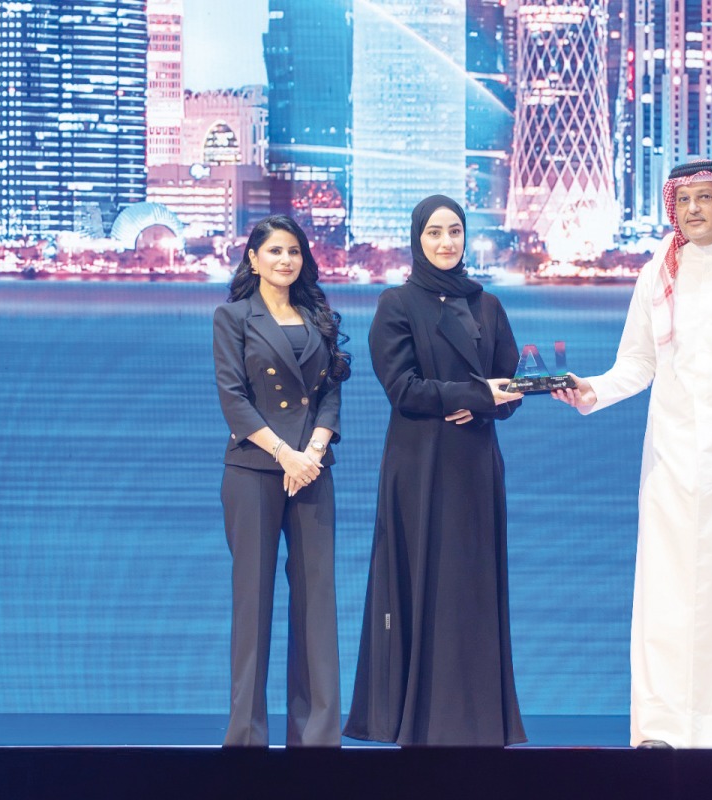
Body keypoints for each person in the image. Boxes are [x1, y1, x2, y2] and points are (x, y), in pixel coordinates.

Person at [552, 160, 712, 749]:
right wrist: (593, 391)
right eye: (684, 199)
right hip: (671, 465)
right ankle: (666, 726)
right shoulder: (658, 273)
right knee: (669, 598)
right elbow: (639, 363)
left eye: (706, 197)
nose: (693, 209)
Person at [344, 195, 527, 747]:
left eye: (455, 232)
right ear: (417, 239)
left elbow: (512, 386)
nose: (446, 243)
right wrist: (473, 394)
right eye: (434, 234)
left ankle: (476, 722)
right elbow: (403, 391)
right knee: (420, 582)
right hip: (419, 465)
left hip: (474, 463)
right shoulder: (396, 304)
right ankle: (417, 723)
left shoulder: (488, 305)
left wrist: (489, 400)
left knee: (471, 587)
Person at [213, 214, 352, 747]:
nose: (285, 260)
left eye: (293, 251)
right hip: (254, 470)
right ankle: (246, 736)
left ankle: (317, 736)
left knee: (317, 599)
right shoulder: (232, 317)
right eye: (274, 251)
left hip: (313, 471)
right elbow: (234, 399)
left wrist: (313, 450)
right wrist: (285, 455)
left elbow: (331, 392)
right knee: (253, 600)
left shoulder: (319, 317)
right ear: (253, 259)